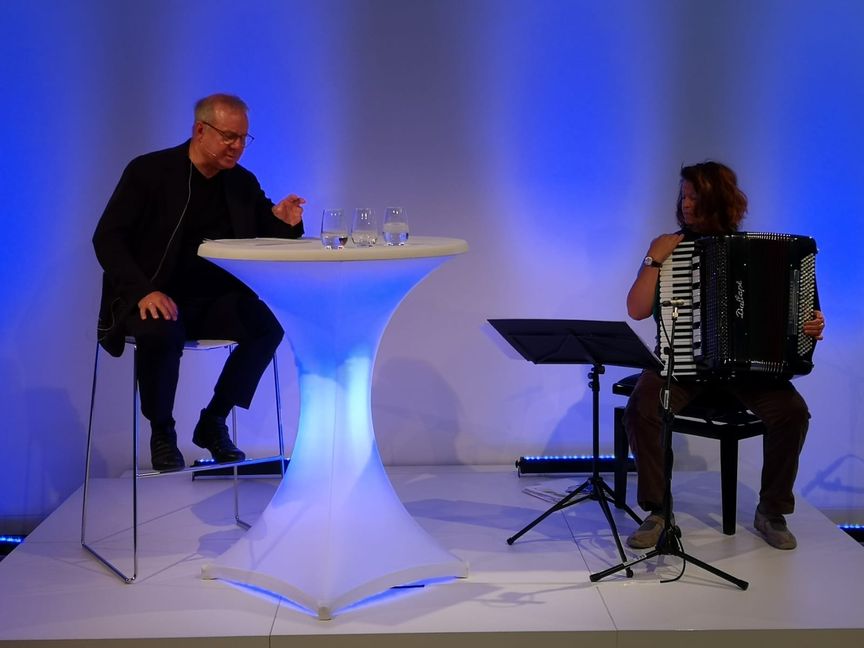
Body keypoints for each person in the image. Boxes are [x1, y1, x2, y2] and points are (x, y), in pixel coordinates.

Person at [93, 93, 306, 471]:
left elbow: (266, 232)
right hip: (155, 296)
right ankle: (162, 431)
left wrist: (287, 223)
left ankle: (213, 421)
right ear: (200, 130)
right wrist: (143, 291)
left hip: (215, 301)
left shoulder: (241, 182)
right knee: (159, 330)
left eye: (243, 138)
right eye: (229, 136)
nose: (237, 146)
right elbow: (107, 238)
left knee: (267, 327)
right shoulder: (149, 172)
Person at [623, 161, 825, 550]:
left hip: (747, 372)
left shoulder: (759, 250)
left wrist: (812, 324)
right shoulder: (668, 246)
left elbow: (800, 315)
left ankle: (771, 511)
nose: (686, 204)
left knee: (793, 413)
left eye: (694, 197)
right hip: (682, 365)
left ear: (719, 201)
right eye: (683, 196)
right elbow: (636, 309)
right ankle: (658, 511)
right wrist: (653, 260)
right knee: (642, 407)